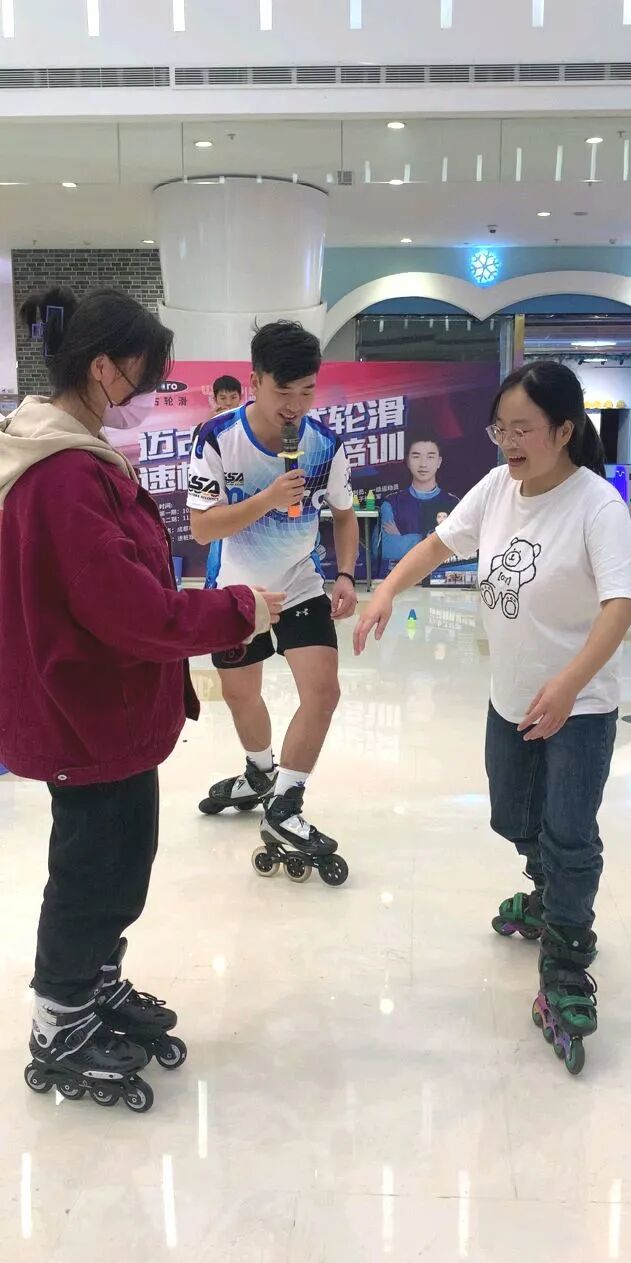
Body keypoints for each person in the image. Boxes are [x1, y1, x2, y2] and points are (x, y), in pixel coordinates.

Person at [0, 286, 282, 1111]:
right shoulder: (61, 476)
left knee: (121, 866)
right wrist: (235, 609)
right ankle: (59, 1019)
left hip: (107, 712)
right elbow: (126, 609)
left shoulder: (75, 457)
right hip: (85, 713)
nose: (153, 394)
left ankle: (95, 982)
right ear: (102, 369)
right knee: (90, 873)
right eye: (147, 377)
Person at [355, 361, 631, 1074]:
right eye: (499, 429)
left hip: (578, 705)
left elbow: (619, 605)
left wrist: (570, 683)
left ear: (564, 431)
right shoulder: (497, 488)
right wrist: (385, 590)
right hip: (509, 696)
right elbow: (436, 544)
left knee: (569, 832)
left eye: (523, 429)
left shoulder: (596, 505)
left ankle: (566, 958)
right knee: (513, 816)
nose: (508, 443)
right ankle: (547, 892)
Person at [188, 320, 359, 859]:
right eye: (283, 391)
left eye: (307, 391)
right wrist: (267, 498)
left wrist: (346, 574)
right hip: (237, 590)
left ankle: (285, 804)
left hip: (301, 583)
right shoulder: (216, 438)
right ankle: (259, 770)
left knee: (324, 693)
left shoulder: (325, 444)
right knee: (241, 694)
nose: (295, 406)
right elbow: (202, 528)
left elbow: (344, 514)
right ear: (254, 381)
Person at [377, 430, 459, 573]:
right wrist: (433, 541)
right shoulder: (392, 503)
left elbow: (458, 547)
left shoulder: (453, 503)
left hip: (440, 579)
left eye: (430, 457)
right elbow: (385, 549)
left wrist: (403, 539)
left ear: (439, 461)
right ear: (408, 461)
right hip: (401, 578)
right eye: (416, 456)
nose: (423, 464)